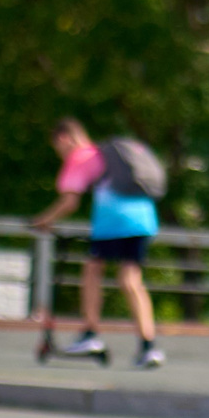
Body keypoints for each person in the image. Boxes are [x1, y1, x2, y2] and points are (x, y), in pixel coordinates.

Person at [30, 118, 164, 369]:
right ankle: (149, 346)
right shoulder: (109, 156)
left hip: (113, 221)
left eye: (58, 148)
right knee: (130, 280)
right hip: (144, 219)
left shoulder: (82, 158)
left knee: (92, 270)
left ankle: (91, 333)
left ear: (64, 139)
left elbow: (70, 202)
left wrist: (43, 221)